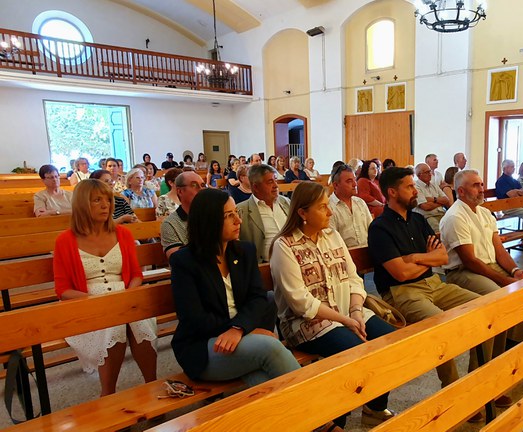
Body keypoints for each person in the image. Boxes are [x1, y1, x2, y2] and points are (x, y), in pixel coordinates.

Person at [271, 182, 396, 428]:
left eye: (328, 206)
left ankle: (374, 406)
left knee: (390, 342)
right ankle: (335, 419)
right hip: (306, 323)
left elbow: (353, 278)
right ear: (302, 212)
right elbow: (300, 302)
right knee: (355, 353)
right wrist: (346, 320)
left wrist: (356, 311)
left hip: (347, 309)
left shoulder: (332, 236)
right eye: (322, 207)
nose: (330, 212)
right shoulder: (284, 245)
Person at [367, 167, 490, 414]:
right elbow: (400, 274)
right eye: (409, 187)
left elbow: (442, 257)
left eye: (414, 186)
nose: (415, 191)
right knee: (441, 324)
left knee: (485, 308)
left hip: (434, 284)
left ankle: (477, 380)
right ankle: (453, 391)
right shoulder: (380, 228)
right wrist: (427, 258)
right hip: (402, 292)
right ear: (392, 192)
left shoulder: (418, 220)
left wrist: (414, 258)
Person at [169, 188, 301, 395]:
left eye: (236, 213)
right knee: (270, 348)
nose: (238, 220)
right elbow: (193, 317)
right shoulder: (184, 261)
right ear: (209, 220)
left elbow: (257, 297)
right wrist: (241, 330)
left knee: (264, 381)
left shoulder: (244, 251)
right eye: (229, 215)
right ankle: (316, 407)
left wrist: (240, 329)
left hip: (239, 338)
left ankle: (300, 413)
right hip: (204, 346)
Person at [53, 179, 157, 396]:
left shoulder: (123, 234)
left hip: (124, 295)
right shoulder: (65, 240)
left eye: (108, 200)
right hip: (86, 300)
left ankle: (152, 384)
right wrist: (96, 302)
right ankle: (108, 393)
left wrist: (129, 295)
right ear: (82, 204)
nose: (105, 205)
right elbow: (63, 289)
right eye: (97, 200)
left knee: (139, 322)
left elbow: (136, 275)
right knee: (114, 324)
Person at [440, 169, 523, 387]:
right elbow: (470, 261)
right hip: (463, 272)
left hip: (490, 266)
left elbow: (499, 251)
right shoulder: (455, 217)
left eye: (482, 184)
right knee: (497, 300)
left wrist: (515, 272)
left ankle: (509, 351)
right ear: (461, 191)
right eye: (476, 185)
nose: (482, 189)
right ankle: (481, 374)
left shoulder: (485, 213)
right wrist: (504, 281)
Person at [236, 164, 290, 262]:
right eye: (270, 182)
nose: (276, 186)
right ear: (256, 187)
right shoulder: (241, 210)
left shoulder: (286, 203)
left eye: (275, 180)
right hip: (264, 265)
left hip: (294, 260)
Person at [161, 171, 206, 258]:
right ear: (180, 191)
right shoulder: (170, 224)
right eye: (194, 185)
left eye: (203, 185)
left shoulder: (212, 215)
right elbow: (178, 259)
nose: (201, 190)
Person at [329, 164, 372, 248]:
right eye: (349, 181)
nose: (355, 184)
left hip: (368, 251)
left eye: (355, 179)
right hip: (344, 253)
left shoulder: (360, 203)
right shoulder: (329, 207)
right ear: (336, 185)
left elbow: (372, 230)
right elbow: (332, 241)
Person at [413, 163, 450, 232]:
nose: (430, 174)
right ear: (419, 175)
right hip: (428, 216)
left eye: (430, 171)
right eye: (427, 172)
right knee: (438, 232)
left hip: (442, 213)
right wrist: (441, 202)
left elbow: (446, 200)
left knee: (452, 229)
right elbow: (425, 207)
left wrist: (433, 199)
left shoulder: (434, 184)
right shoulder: (416, 187)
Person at [494, 159, 523, 227]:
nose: (514, 168)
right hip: (507, 206)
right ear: (505, 168)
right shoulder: (501, 181)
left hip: (518, 204)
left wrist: (516, 191)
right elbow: (512, 195)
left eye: (514, 167)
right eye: (512, 167)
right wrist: (518, 191)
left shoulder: (514, 180)